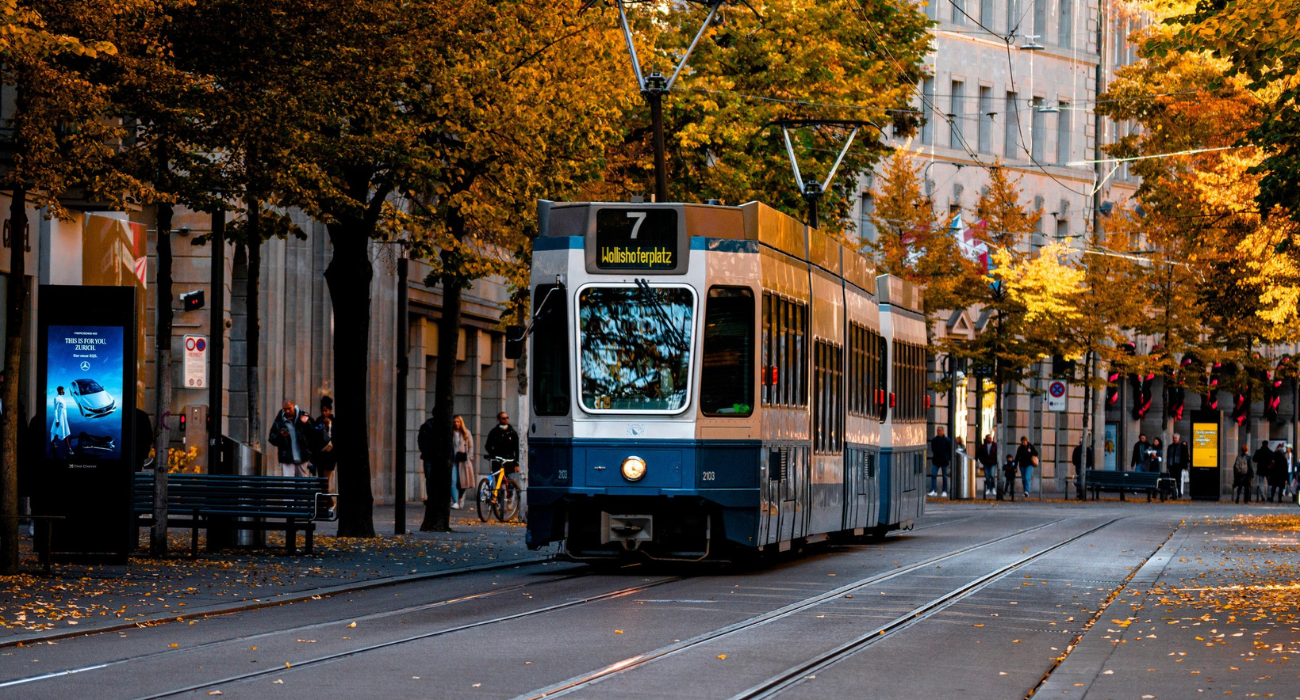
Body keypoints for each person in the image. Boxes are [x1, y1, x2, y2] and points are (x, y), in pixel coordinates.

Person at [269, 399, 313, 477]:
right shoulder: (280, 420)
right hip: (287, 458)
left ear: (294, 406)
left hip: (302, 456)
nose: (287, 411)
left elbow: (313, 433)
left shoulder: (303, 415)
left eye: (289, 408)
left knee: (302, 484)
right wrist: (280, 435)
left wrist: (306, 423)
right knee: (289, 483)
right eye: (285, 409)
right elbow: (272, 438)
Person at [309, 396, 336, 491]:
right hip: (320, 455)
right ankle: (325, 503)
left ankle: (329, 503)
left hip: (330, 456)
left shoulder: (333, 421)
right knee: (321, 482)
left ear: (330, 410)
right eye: (323, 411)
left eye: (326, 411)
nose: (324, 413)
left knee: (325, 482)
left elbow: (333, 437)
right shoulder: (319, 420)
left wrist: (329, 426)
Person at [450, 415, 474, 509]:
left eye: (458, 421)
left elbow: (471, 446)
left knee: (463, 482)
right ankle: (455, 501)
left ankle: (461, 497)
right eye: (455, 422)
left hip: (463, 460)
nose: (456, 423)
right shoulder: (450, 433)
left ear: (461, 422)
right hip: (453, 460)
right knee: (453, 481)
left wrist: (469, 458)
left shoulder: (466, 433)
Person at [928, 427, 952, 497]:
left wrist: (948, 459)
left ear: (943, 431)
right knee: (933, 474)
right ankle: (934, 490)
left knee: (944, 476)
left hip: (944, 460)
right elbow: (933, 449)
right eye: (938, 431)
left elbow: (949, 451)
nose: (939, 432)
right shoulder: (934, 440)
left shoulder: (947, 440)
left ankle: (944, 490)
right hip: (936, 460)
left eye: (940, 431)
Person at [1166, 433, 1190, 499]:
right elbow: (1168, 456)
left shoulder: (1182, 446)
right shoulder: (1170, 446)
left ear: (1178, 439)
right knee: (1172, 480)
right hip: (1172, 465)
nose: (1175, 439)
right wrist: (1168, 466)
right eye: (1174, 438)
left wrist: (1185, 466)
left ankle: (1179, 492)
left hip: (1178, 465)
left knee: (1178, 480)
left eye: (1176, 438)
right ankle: (1174, 493)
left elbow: (1185, 456)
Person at [50, 386, 71, 455]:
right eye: (63, 390)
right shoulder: (56, 398)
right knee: (63, 431)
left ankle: (52, 443)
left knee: (57, 431)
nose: (64, 391)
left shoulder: (62, 398)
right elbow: (55, 410)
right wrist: (57, 420)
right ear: (59, 390)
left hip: (63, 418)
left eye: (64, 390)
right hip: (60, 418)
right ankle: (68, 448)